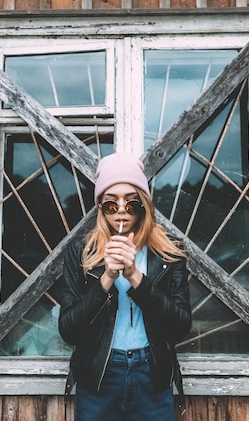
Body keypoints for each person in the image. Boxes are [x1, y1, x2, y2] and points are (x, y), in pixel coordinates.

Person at [59, 153, 192, 421]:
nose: (121, 210)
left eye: (131, 203)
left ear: (143, 205)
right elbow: (69, 330)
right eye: (111, 204)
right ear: (101, 209)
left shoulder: (169, 252)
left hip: (151, 374)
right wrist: (107, 277)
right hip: (99, 375)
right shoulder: (80, 252)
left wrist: (135, 277)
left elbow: (180, 326)